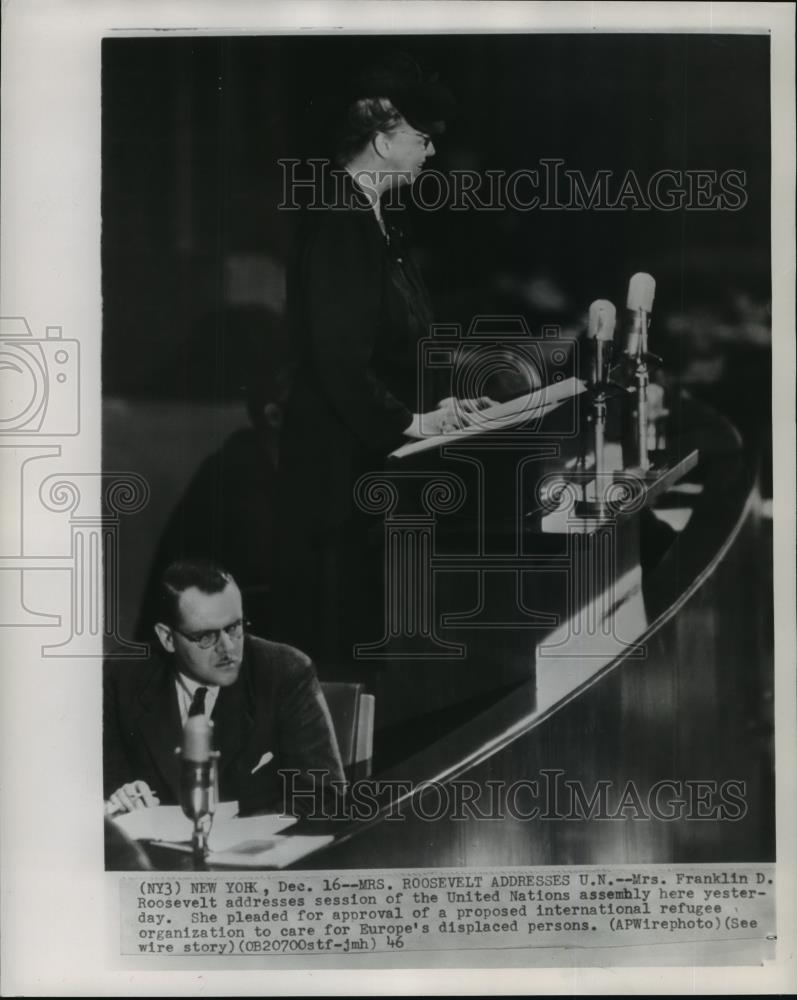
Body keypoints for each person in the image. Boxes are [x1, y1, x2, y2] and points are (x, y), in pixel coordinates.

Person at [275, 54, 487, 667]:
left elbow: (396, 341)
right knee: (337, 643)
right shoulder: (342, 221)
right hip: (337, 480)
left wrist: (437, 405)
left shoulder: (375, 219)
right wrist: (408, 422)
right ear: (381, 141)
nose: (431, 153)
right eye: (421, 140)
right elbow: (337, 360)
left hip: (364, 468)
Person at [103, 558, 345, 817]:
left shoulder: (285, 672)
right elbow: (96, 786)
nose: (228, 648)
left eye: (234, 627)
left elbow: (323, 796)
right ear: (167, 638)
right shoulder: (122, 675)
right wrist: (122, 800)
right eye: (207, 636)